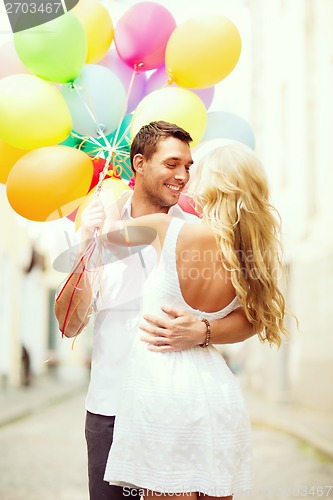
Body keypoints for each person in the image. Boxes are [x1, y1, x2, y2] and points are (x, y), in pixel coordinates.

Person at [57, 121, 254, 500]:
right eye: (172, 164)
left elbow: (249, 319)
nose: (183, 176)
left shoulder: (200, 231)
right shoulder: (99, 227)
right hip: (111, 410)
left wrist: (204, 332)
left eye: (188, 166)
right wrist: (86, 249)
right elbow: (68, 324)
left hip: (179, 411)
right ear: (139, 164)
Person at [100, 141, 288, 499]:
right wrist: (205, 331)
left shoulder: (165, 228)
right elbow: (253, 321)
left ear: (209, 185)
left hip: (162, 393)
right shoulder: (249, 255)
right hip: (217, 393)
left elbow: (108, 239)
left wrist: (109, 202)